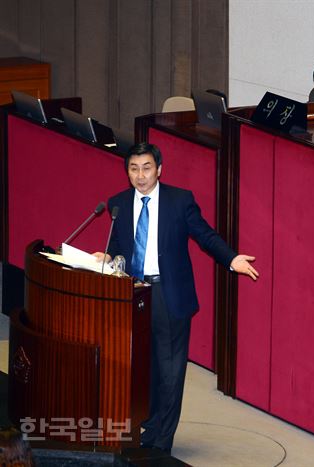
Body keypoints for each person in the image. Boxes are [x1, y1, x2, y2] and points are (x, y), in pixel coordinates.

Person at [93, 142, 258, 454]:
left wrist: (231, 258)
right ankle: (148, 427)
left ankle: (160, 445)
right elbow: (119, 249)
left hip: (169, 296)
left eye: (146, 168)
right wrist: (109, 256)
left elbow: (205, 235)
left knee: (170, 373)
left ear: (159, 170)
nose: (140, 176)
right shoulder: (118, 204)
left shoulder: (179, 201)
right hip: (134, 295)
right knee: (143, 370)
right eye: (133, 169)